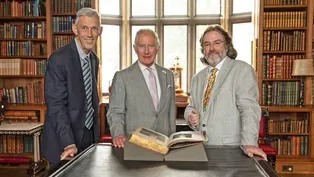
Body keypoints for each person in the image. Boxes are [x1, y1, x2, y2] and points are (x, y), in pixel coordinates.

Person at [184, 24, 267, 160]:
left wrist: (249, 143)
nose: (212, 48)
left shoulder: (242, 70)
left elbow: (249, 109)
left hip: (232, 151)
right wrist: (190, 117)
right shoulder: (197, 78)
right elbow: (191, 106)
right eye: (207, 44)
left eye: (217, 43)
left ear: (227, 45)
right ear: (203, 49)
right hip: (202, 150)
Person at [41, 8, 102, 167]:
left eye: (94, 28)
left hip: (88, 136)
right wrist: (68, 143)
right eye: (84, 28)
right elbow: (56, 105)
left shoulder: (94, 59)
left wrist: (95, 138)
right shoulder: (59, 59)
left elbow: (89, 98)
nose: (90, 34)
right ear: (75, 29)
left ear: (100, 31)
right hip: (63, 141)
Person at [107, 28, 176, 148]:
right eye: (142, 46)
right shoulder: (122, 77)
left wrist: (172, 139)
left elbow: (171, 112)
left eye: (151, 46)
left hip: (164, 145)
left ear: (157, 48)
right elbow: (115, 112)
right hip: (135, 144)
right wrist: (118, 134)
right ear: (135, 48)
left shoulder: (168, 75)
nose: (147, 51)